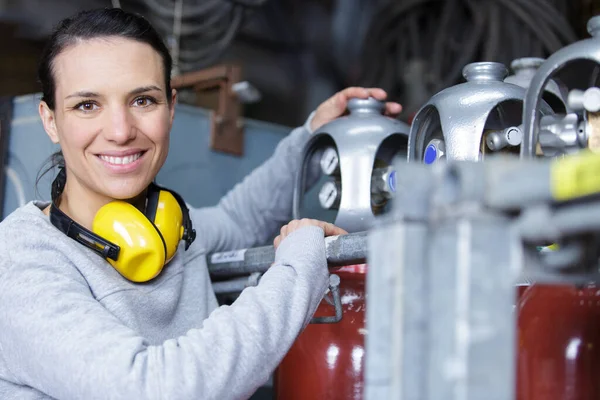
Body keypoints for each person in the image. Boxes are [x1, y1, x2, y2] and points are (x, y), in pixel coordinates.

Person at [0, 8, 402, 400]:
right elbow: (150, 389)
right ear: (50, 120)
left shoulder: (170, 229)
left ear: (171, 108)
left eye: (143, 100)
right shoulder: (21, 258)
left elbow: (240, 218)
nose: (121, 131)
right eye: (87, 105)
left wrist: (313, 138)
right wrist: (300, 268)